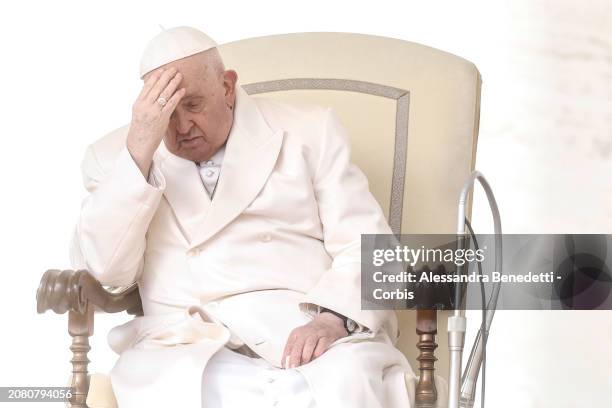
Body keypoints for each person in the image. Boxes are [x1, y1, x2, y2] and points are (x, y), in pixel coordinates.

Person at [70, 26, 415, 408]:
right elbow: (107, 272)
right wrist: (138, 152)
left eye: (194, 105)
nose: (182, 127)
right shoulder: (115, 158)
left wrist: (331, 319)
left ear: (228, 87)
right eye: (167, 113)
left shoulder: (310, 131)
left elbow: (368, 246)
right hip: (185, 347)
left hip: (302, 334)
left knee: (345, 378)